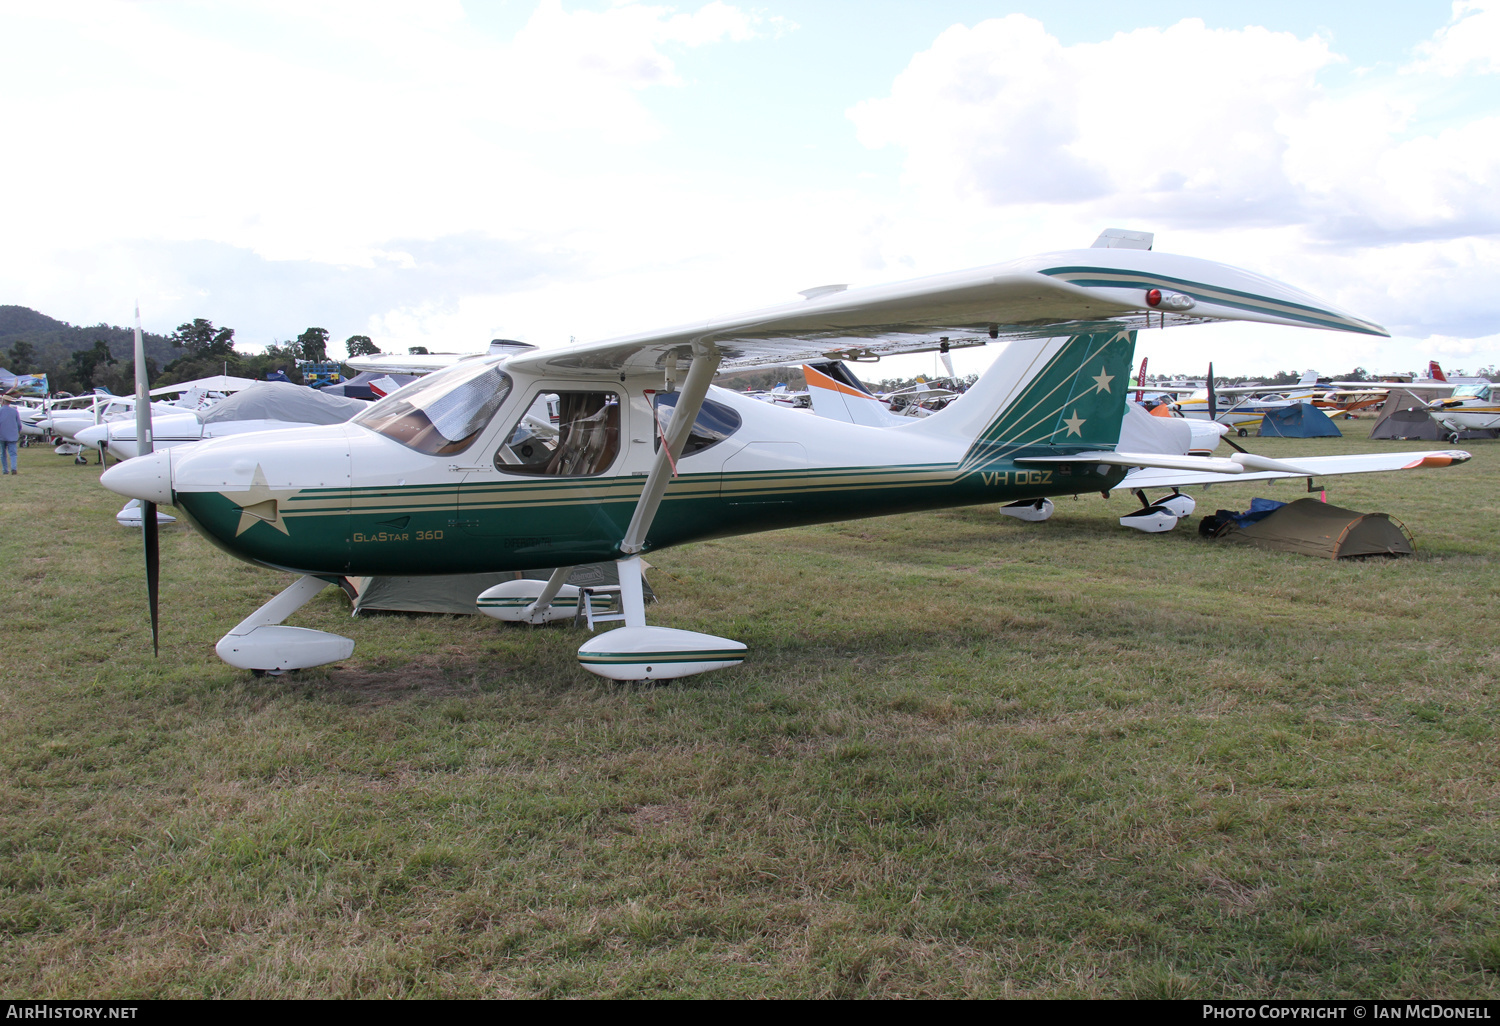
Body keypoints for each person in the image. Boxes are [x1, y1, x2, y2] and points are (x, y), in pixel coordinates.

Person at [0, 396, 21, 475]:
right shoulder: (14, 411)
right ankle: (13, 468)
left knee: (3, 453)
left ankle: (5, 470)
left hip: (1, 435)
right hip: (12, 435)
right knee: (13, 453)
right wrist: (18, 431)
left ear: (3, 401)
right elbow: (19, 424)